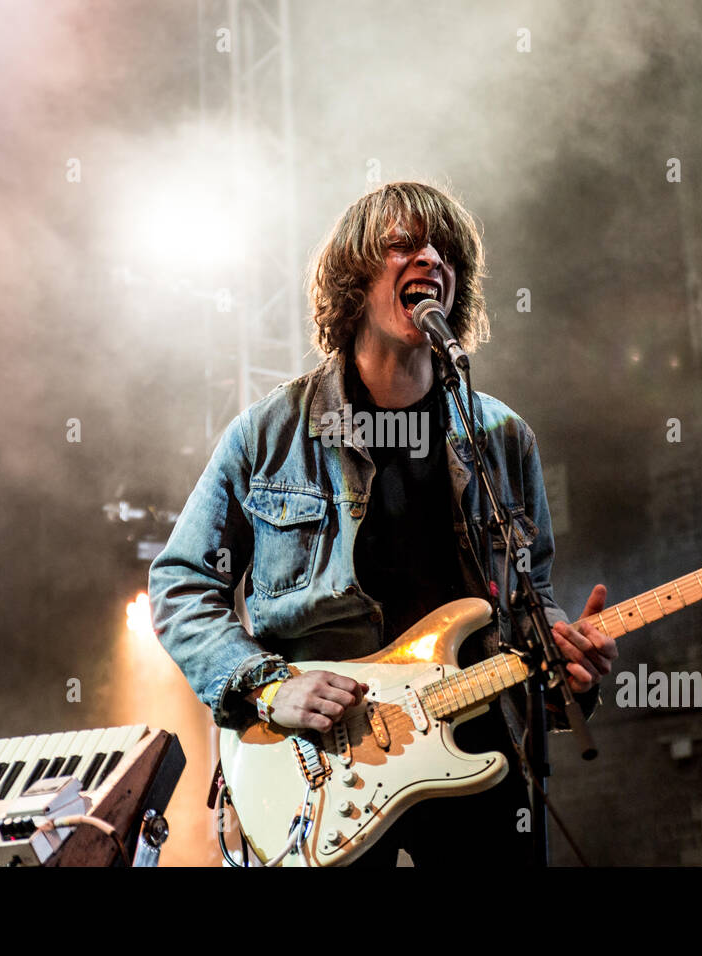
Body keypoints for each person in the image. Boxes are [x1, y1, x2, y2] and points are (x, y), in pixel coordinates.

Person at [149, 181, 617, 866]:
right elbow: (181, 583)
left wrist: (565, 673)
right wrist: (270, 685)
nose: (429, 258)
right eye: (403, 244)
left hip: (476, 750)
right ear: (353, 281)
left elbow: (529, 603)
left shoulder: (502, 436)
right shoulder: (271, 434)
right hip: (319, 763)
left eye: (444, 250)